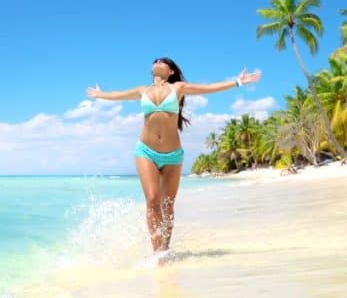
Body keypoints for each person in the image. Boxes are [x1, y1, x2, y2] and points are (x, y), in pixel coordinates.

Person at [86, 57, 261, 258]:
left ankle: (165, 249)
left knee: (168, 204)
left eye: (163, 61)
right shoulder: (142, 90)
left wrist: (237, 82)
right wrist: (100, 95)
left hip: (173, 155)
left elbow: (209, 88)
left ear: (170, 71)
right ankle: (157, 253)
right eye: (155, 61)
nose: (158, 61)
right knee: (153, 199)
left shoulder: (178, 88)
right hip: (146, 151)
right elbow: (118, 95)